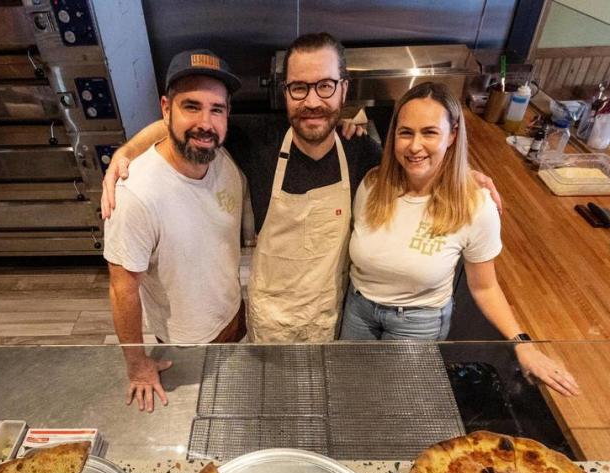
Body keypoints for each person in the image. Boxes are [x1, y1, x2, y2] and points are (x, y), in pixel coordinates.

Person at [101, 33, 503, 342]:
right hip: (269, 320)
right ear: (285, 92)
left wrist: (464, 172)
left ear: (344, 90)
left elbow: (416, 159)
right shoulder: (256, 139)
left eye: (325, 86)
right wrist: (127, 150)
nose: (313, 100)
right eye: (300, 88)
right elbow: (197, 126)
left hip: (334, 319)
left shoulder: (362, 150)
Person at [341, 82, 579, 396]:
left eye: (429, 132)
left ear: (452, 134)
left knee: (398, 401)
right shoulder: (372, 185)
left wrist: (524, 345)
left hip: (418, 321)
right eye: (405, 132)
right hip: (359, 310)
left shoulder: (475, 205)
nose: (415, 146)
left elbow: (485, 286)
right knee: (350, 391)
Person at [104, 49, 252, 412]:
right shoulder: (136, 195)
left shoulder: (220, 154)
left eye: (216, 109)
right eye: (191, 106)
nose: (205, 122)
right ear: (166, 108)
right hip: (185, 340)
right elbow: (122, 291)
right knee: (201, 417)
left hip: (236, 315)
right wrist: (137, 366)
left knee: (236, 403)